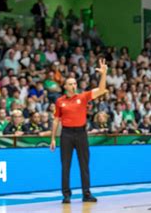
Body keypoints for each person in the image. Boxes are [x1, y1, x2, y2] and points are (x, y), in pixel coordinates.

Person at [50, 58, 108, 204]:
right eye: (71, 84)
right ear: (65, 86)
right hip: (66, 134)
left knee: (84, 165)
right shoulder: (60, 101)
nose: (74, 86)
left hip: (81, 133)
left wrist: (103, 74)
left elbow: (101, 90)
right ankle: (66, 195)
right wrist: (52, 139)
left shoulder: (82, 97)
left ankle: (86, 194)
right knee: (66, 166)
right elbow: (56, 120)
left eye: (75, 83)